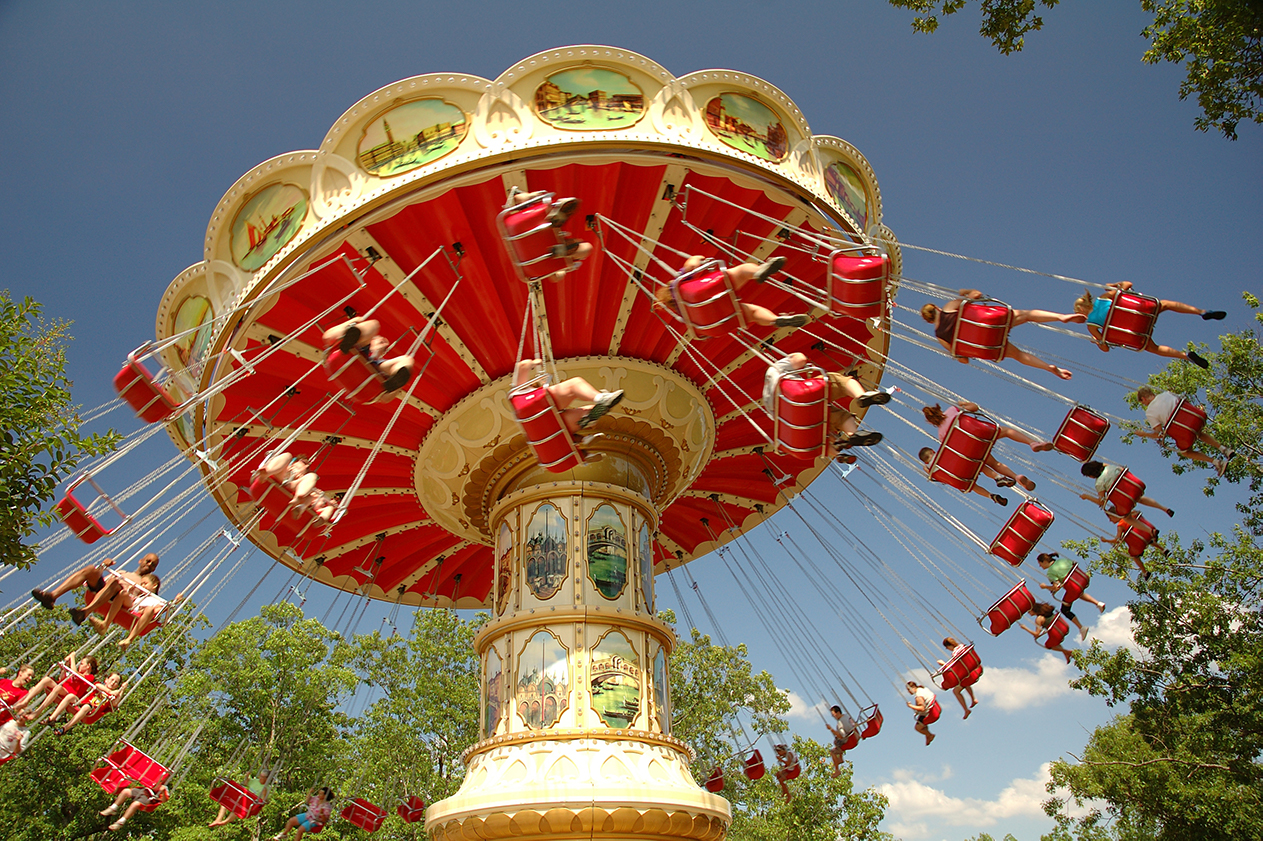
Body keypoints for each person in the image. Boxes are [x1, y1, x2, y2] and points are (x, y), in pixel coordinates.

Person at [920, 289, 1077, 380]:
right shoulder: (949, 307)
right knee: (1028, 315)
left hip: (989, 345)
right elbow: (976, 294)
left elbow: (962, 359)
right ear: (936, 308)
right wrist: (965, 292)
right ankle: (1060, 317)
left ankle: (1048, 368)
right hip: (990, 322)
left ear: (929, 321)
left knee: (1018, 355)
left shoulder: (939, 336)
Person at [763, 352, 888, 456]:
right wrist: (798, 357)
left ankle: (837, 453)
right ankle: (861, 397)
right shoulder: (775, 368)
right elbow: (800, 359)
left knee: (822, 432)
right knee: (836, 381)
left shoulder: (768, 403)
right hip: (800, 392)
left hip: (794, 418)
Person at [1073, 281, 1223, 366]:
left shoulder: (1091, 324)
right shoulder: (1103, 297)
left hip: (1135, 332)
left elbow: (1105, 348)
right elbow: (1127, 284)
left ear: (1081, 310)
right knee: (1165, 304)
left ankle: (1186, 356)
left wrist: (1098, 342)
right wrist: (1113, 285)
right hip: (1142, 313)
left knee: (1153, 348)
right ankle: (1201, 311)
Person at [656, 255, 811, 330]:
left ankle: (775, 320)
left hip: (714, 322)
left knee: (751, 313)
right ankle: (758, 271)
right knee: (742, 271)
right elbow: (691, 265)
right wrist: (698, 258)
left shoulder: (683, 312)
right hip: (702, 292)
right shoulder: (678, 284)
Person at [921, 401, 1046, 491]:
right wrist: (963, 404)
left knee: (994, 464)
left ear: (932, 422)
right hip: (979, 433)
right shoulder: (952, 410)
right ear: (938, 410)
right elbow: (975, 408)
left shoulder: (941, 435)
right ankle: (1032, 443)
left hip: (972, 449)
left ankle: (1016, 477)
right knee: (1007, 431)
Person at [1133, 386, 1235, 475]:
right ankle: (1224, 449)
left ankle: (1216, 462)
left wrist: (1144, 434)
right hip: (1195, 418)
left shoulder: (1150, 412)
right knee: (1197, 432)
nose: (1144, 405)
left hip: (1185, 431)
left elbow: (1159, 434)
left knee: (1185, 452)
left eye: (1142, 403)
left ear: (1143, 398)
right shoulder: (1167, 394)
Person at [512, 358, 624, 437]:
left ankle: (583, 434)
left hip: (547, 429)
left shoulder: (522, 413)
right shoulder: (520, 391)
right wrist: (535, 362)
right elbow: (522, 365)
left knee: (587, 411)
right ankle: (601, 398)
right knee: (574, 384)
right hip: (538, 405)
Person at [506, 189, 594, 281]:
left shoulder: (520, 216)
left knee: (586, 248)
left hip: (530, 232)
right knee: (587, 248)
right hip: (538, 238)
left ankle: (558, 221)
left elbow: (516, 198)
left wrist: (530, 196)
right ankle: (558, 222)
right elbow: (555, 278)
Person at [31, 552, 159, 611]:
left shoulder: (146, 583)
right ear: (140, 560)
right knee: (90, 570)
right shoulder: (123, 572)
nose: (149, 565)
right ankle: (52, 596)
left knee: (115, 584)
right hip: (106, 589)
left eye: (153, 564)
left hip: (119, 598)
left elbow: (150, 601)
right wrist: (103, 567)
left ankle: (86, 611)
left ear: (154, 569)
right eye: (148, 561)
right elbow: (103, 580)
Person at [321, 315, 415, 394]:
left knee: (407, 360)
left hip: (373, 367)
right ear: (372, 339)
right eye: (381, 340)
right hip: (353, 347)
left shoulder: (380, 364)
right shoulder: (365, 343)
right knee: (373, 325)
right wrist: (355, 320)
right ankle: (353, 334)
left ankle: (397, 378)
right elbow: (327, 337)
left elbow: (386, 399)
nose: (384, 343)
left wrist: (397, 385)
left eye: (385, 346)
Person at [1036, 552, 1105, 640]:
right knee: (1078, 593)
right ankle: (1098, 603)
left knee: (1064, 610)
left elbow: (1056, 587)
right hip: (1082, 579)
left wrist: (1045, 586)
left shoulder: (1050, 573)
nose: (1040, 566)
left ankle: (1081, 628)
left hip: (1074, 587)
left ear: (1044, 562)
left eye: (1040, 564)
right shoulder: (1063, 560)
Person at [15, 652, 97, 719]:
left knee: (58, 688)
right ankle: (26, 701)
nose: (80, 665)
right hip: (63, 689)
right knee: (47, 680)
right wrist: (63, 670)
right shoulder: (77, 673)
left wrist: (72, 657)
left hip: (71, 695)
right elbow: (62, 680)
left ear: (88, 666)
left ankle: (37, 712)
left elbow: (74, 673)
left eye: (82, 664)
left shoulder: (89, 677)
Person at [917, 447, 1009, 507]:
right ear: (933, 451)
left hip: (960, 479)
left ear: (925, 461)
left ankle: (991, 496)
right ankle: (998, 478)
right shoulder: (942, 452)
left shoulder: (930, 468)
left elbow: (932, 475)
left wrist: (926, 468)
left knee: (973, 487)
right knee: (981, 466)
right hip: (965, 467)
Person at [1079, 460, 1174, 517]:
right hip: (1136, 487)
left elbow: (1102, 502)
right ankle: (1164, 508)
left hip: (1126, 499)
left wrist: (1087, 497)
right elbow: (1105, 465)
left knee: (1126, 517)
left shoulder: (1099, 483)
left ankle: (1148, 530)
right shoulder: (1112, 467)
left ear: (1091, 475)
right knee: (1138, 498)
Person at [1101, 510, 1166, 579]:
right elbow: (1137, 512)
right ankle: (1163, 549)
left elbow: (1117, 540)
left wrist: (1106, 540)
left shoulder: (1120, 525)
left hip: (1138, 544)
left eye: (1110, 518)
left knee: (1135, 556)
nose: (1110, 521)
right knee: (1148, 540)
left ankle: (1145, 572)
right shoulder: (1130, 516)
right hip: (1146, 535)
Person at [47, 671, 124, 729]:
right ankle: (52, 718)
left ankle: (65, 727)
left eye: (116, 682)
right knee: (70, 696)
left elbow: (114, 704)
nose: (113, 683)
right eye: (112, 679)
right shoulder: (100, 685)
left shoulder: (112, 697)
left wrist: (122, 690)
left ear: (117, 686)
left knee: (87, 707)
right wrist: (111, 692)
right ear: (106, 680)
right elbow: (97, 685)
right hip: (80, 704)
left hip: (90, 713)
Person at [99, 781, 171, 831]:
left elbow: (164, 800)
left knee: (135, 804)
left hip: (150, 797)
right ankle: (113, 808)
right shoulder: (155, 778)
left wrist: (162, 791)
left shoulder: (164, 787)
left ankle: (120, 822)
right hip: (143, 791)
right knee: (125, 791)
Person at [937, 637, 979, 719]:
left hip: (966, 672)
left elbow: (955, 667)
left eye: (946, 647)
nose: (947, 649)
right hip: (974, 670)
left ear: (949, 646)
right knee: (964, 680)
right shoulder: (963, 646)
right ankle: (973, 699)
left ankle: (966, 710)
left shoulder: (955, 653)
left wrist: (944, 664)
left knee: (956, 691)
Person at [825, 705, 857, 777]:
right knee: (836, 741)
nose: (834, 716)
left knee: (832, 752)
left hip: (849, 740)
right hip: (855, 735)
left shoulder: (840, 723)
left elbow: (841, 736)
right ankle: (840, 758)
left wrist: (831, 729)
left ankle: (837, 770)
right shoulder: (847, 716)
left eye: (834, 714)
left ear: (838, 712)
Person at [905, 681, 937, 746]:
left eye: (908, 689)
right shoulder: (923, 688)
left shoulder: (918, 696)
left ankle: (930, 735)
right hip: (935, 707)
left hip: (930, 713)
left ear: (913, 687)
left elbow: (922, 708)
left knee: (917, 727)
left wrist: (910, 706)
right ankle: (927, 736)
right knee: (920, 720)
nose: (908, 691)